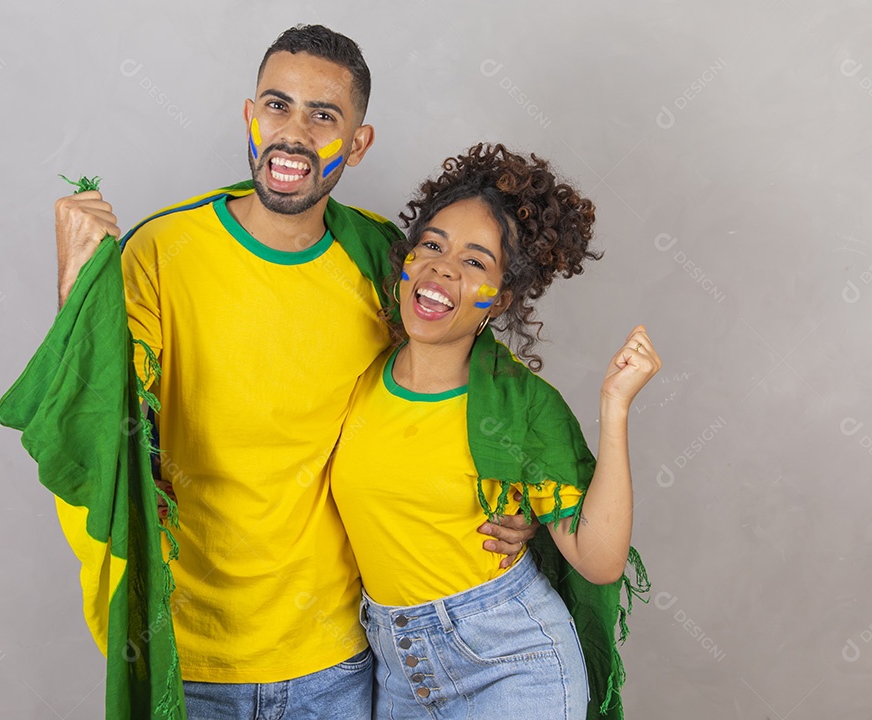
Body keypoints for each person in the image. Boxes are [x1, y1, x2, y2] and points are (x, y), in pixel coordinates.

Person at [50, 26, 534, 720]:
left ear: (359, 144)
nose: (293, 133)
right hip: (189, 658)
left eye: (323, 115)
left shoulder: (381, 260)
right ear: (251, 117)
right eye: (277, 106)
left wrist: (523, 500)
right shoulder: (163, 251)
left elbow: (479, 385)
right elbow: (92, 414)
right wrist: (76, 281)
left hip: (336, 662)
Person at [329, 142, 661, 718]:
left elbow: (599, 561)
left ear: (499, 300)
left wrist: (615, 407)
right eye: (431, 245)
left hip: (510, 662)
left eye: (475, 261)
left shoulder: (521, 408)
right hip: (396, 667)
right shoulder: (357, 378)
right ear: (405, 261)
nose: (442, 268)